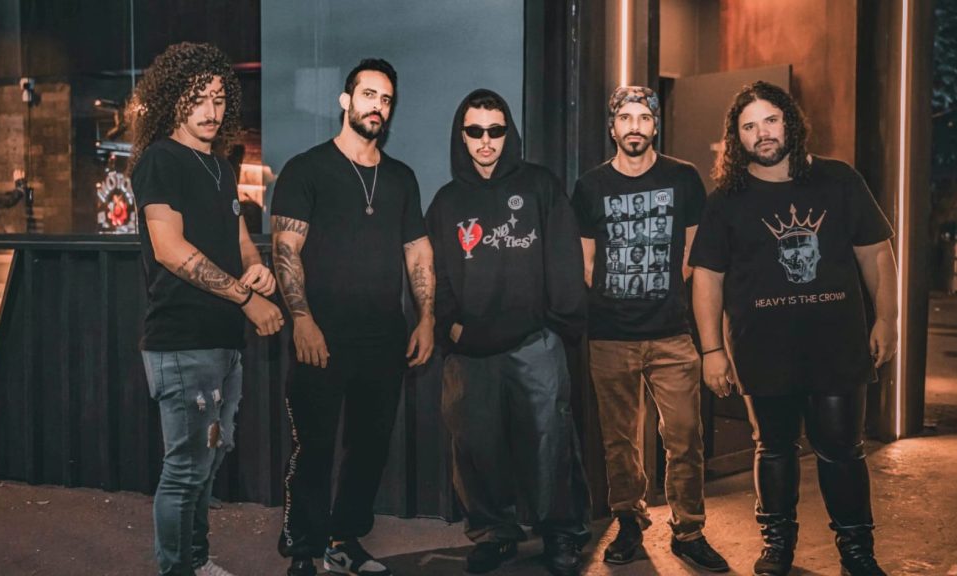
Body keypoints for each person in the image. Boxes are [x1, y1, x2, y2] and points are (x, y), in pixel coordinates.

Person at [689, 81, 896, 576]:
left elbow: (876, 254)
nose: (762, 133)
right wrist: (712, 350)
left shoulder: (838, 180)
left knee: (842, 451)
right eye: (749, 126)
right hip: (762, 350)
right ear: (737, 138)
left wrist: (887, 318)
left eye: (771, 120)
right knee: (774, 449)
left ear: (790, 122)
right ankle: (777, 546)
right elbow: (707, 278)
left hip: (837, 345)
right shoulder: (726, 200)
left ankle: (857, 552)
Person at [270, 58, 435, 576]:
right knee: (313, 448)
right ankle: (303, 550)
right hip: (320, 336)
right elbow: (285, 250)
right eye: (368, 95)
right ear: (345, 101)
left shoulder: (401, 178)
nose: (377, 107)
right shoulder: (306, 169)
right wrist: (302, 320)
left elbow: (418, 252)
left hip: (383, 339)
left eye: (386, 100)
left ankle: (343, 541)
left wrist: (426, 317)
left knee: (368, 449)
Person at [130, 41, 284, 576]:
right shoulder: (161, 159)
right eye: (198, 98)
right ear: (174, 99)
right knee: (185, 470)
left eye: (218, 98)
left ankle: (195, 561)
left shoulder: (220, 166)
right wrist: (247, 298)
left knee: (206, 463)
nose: (210, 109)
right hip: (181, 342)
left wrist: (257, 269)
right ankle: (179, 568)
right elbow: (170, 249)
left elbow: (239, 241)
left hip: (222, 340)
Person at [426, 88, 591, 576]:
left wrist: (558, 325)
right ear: (461, 136)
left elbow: (565, 260)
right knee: (475, 447)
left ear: (508, 132)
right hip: (470, 351)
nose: (486, 141)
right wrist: (450, 327)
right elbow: (433, 273)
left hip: (534, 343)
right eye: (475, 131)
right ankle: (494, 534)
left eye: (495, 130)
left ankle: (562, 534)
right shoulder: (447, 201)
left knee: (549, 442)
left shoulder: (539, 185)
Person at [571, 85, 729, 572]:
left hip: (671, 332)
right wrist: (619, 292)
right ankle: (629, 522)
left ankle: (689, 530)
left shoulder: (682, 177)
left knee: (684, 436)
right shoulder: (591, 186)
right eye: (626, 118)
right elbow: (585, 261)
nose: (635, 126)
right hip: (609, 335)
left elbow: (694, 250)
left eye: (644, 117)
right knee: (619, 441)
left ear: (655, 125)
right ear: (613, 127)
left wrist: (659, 287)